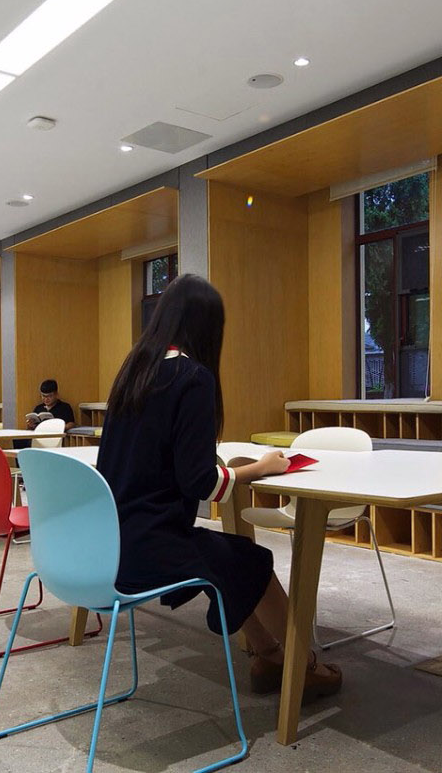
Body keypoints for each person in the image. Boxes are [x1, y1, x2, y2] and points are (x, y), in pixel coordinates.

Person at [95, 274, 342, 698]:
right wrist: (258, 468)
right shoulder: (192, 377)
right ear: (208, 327)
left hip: (107, 542)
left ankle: (268, 656)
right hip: (149, 545)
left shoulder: (134, 372)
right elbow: (200, 482)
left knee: (232, 559)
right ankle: (304, 668)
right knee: (253, 562)